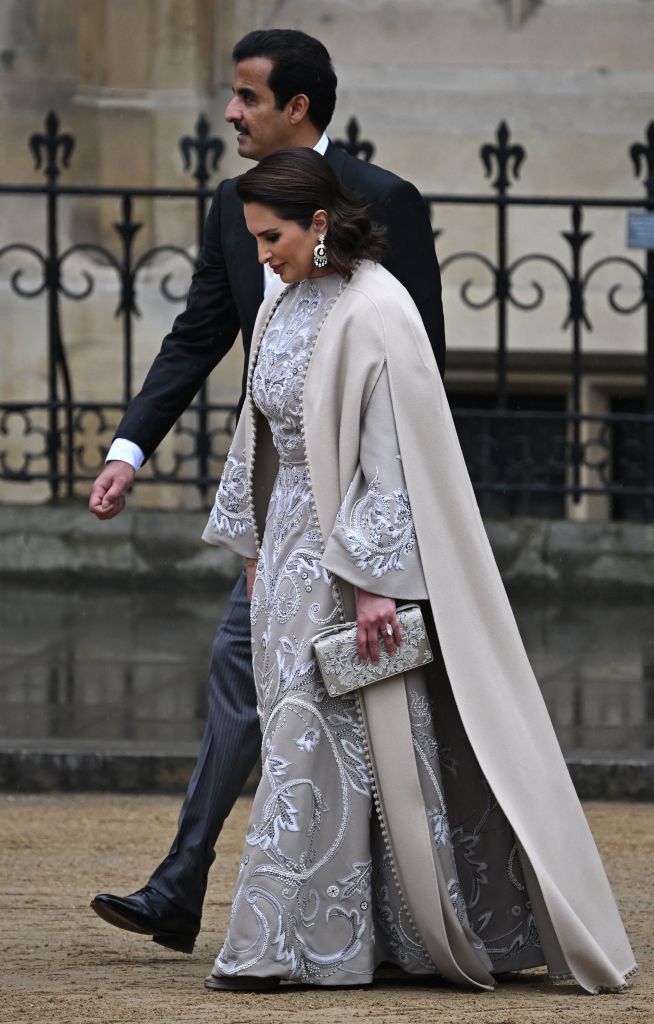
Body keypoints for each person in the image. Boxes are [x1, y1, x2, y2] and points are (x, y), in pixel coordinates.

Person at [200, 146, 636, 994]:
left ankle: (273, 945)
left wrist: (372, 583)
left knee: (322, 737)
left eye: (272, 236)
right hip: (288, 553)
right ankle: (355, 937)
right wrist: (252, 543)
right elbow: (261, 430)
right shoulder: (287, 297)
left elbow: (387, 457)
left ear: (319, 224)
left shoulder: (378, 309)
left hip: (345, 560)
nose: (261, 253)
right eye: (253, 238)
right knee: (328, 741)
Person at [88, 29, 445, 955]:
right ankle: (183, 881)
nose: (231, 113)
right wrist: (131, 445)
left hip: (368, 515)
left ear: (299, 108)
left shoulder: (387, 200)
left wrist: (388, 547)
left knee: (373, 710)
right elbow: (200, 333)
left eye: (247, 97)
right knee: (242, 678)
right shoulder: (230, 207)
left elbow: (417, 380)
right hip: (278, 515)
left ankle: (398, 918)